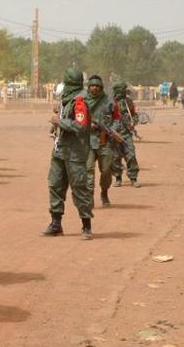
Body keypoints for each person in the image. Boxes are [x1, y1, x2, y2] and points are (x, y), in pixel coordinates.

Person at [42, 67, 94, 240]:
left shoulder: (80, 100)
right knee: (55, 185)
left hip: (75, 152)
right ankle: (56, 223)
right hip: (60, 149)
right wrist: (60, 113)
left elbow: (80, 126)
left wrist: (60, 121)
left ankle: (86, 226)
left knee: (79, 187)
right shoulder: (67, 98)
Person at [85, 75, 117, 207]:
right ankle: (89, 197)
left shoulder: (109, 101)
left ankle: (104, 192)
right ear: (88, 86)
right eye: (92, 85)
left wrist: (111, 130)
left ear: (101, 87)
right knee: (88, 170)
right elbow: (76, 119)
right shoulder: (82, 101)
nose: (95, 88)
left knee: (106, 171)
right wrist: (87, 125)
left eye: (97, 86)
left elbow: (117, 119)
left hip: (105, 141)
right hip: (87, 140)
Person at [111, 81, 141, 188]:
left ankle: (133, 178)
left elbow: (135, 115)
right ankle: (118, 178)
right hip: (114, 134)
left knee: (131, 155)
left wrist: (133, 123)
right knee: (115, 157)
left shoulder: (129, 102)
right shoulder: (110, 103)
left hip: (126, 133)